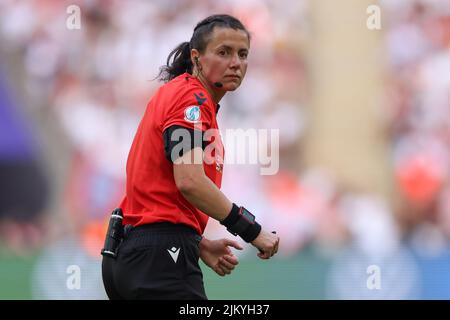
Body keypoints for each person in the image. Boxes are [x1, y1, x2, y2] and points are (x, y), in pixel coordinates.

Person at [101, 14, 280, 300]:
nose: (235, 62)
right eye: (224, 52)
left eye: (242, 54)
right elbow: (190, 181)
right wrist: (251, 230)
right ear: (196, 58)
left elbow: (161, 194)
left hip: (140, 253)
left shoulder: (184, 97)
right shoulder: (190, 100)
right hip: (158, 259)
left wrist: (196, 243)